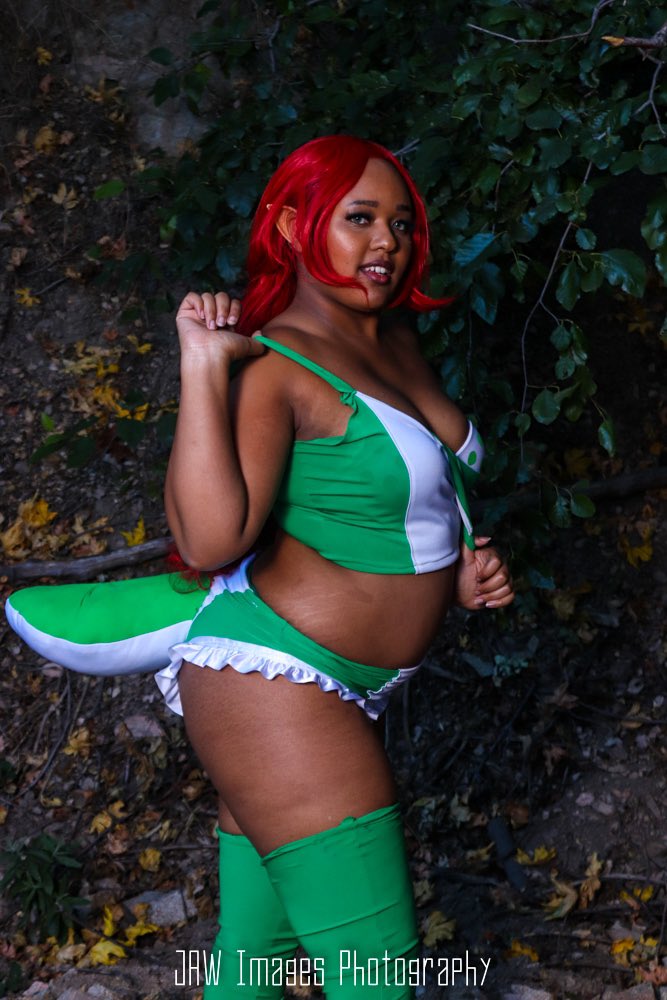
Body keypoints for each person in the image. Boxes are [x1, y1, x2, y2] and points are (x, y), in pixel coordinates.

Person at [152, 135, 514, 1000]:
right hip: (277, 682)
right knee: (373, 973)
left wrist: (454, 570)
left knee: (253, 957)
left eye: (400, 222)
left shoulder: (392, 341)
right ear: (291, 227)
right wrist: (202, 366)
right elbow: (209, 541)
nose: (386, 241)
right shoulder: (277, 360)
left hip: (341, 686)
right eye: (359, 218)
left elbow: (390, 492)